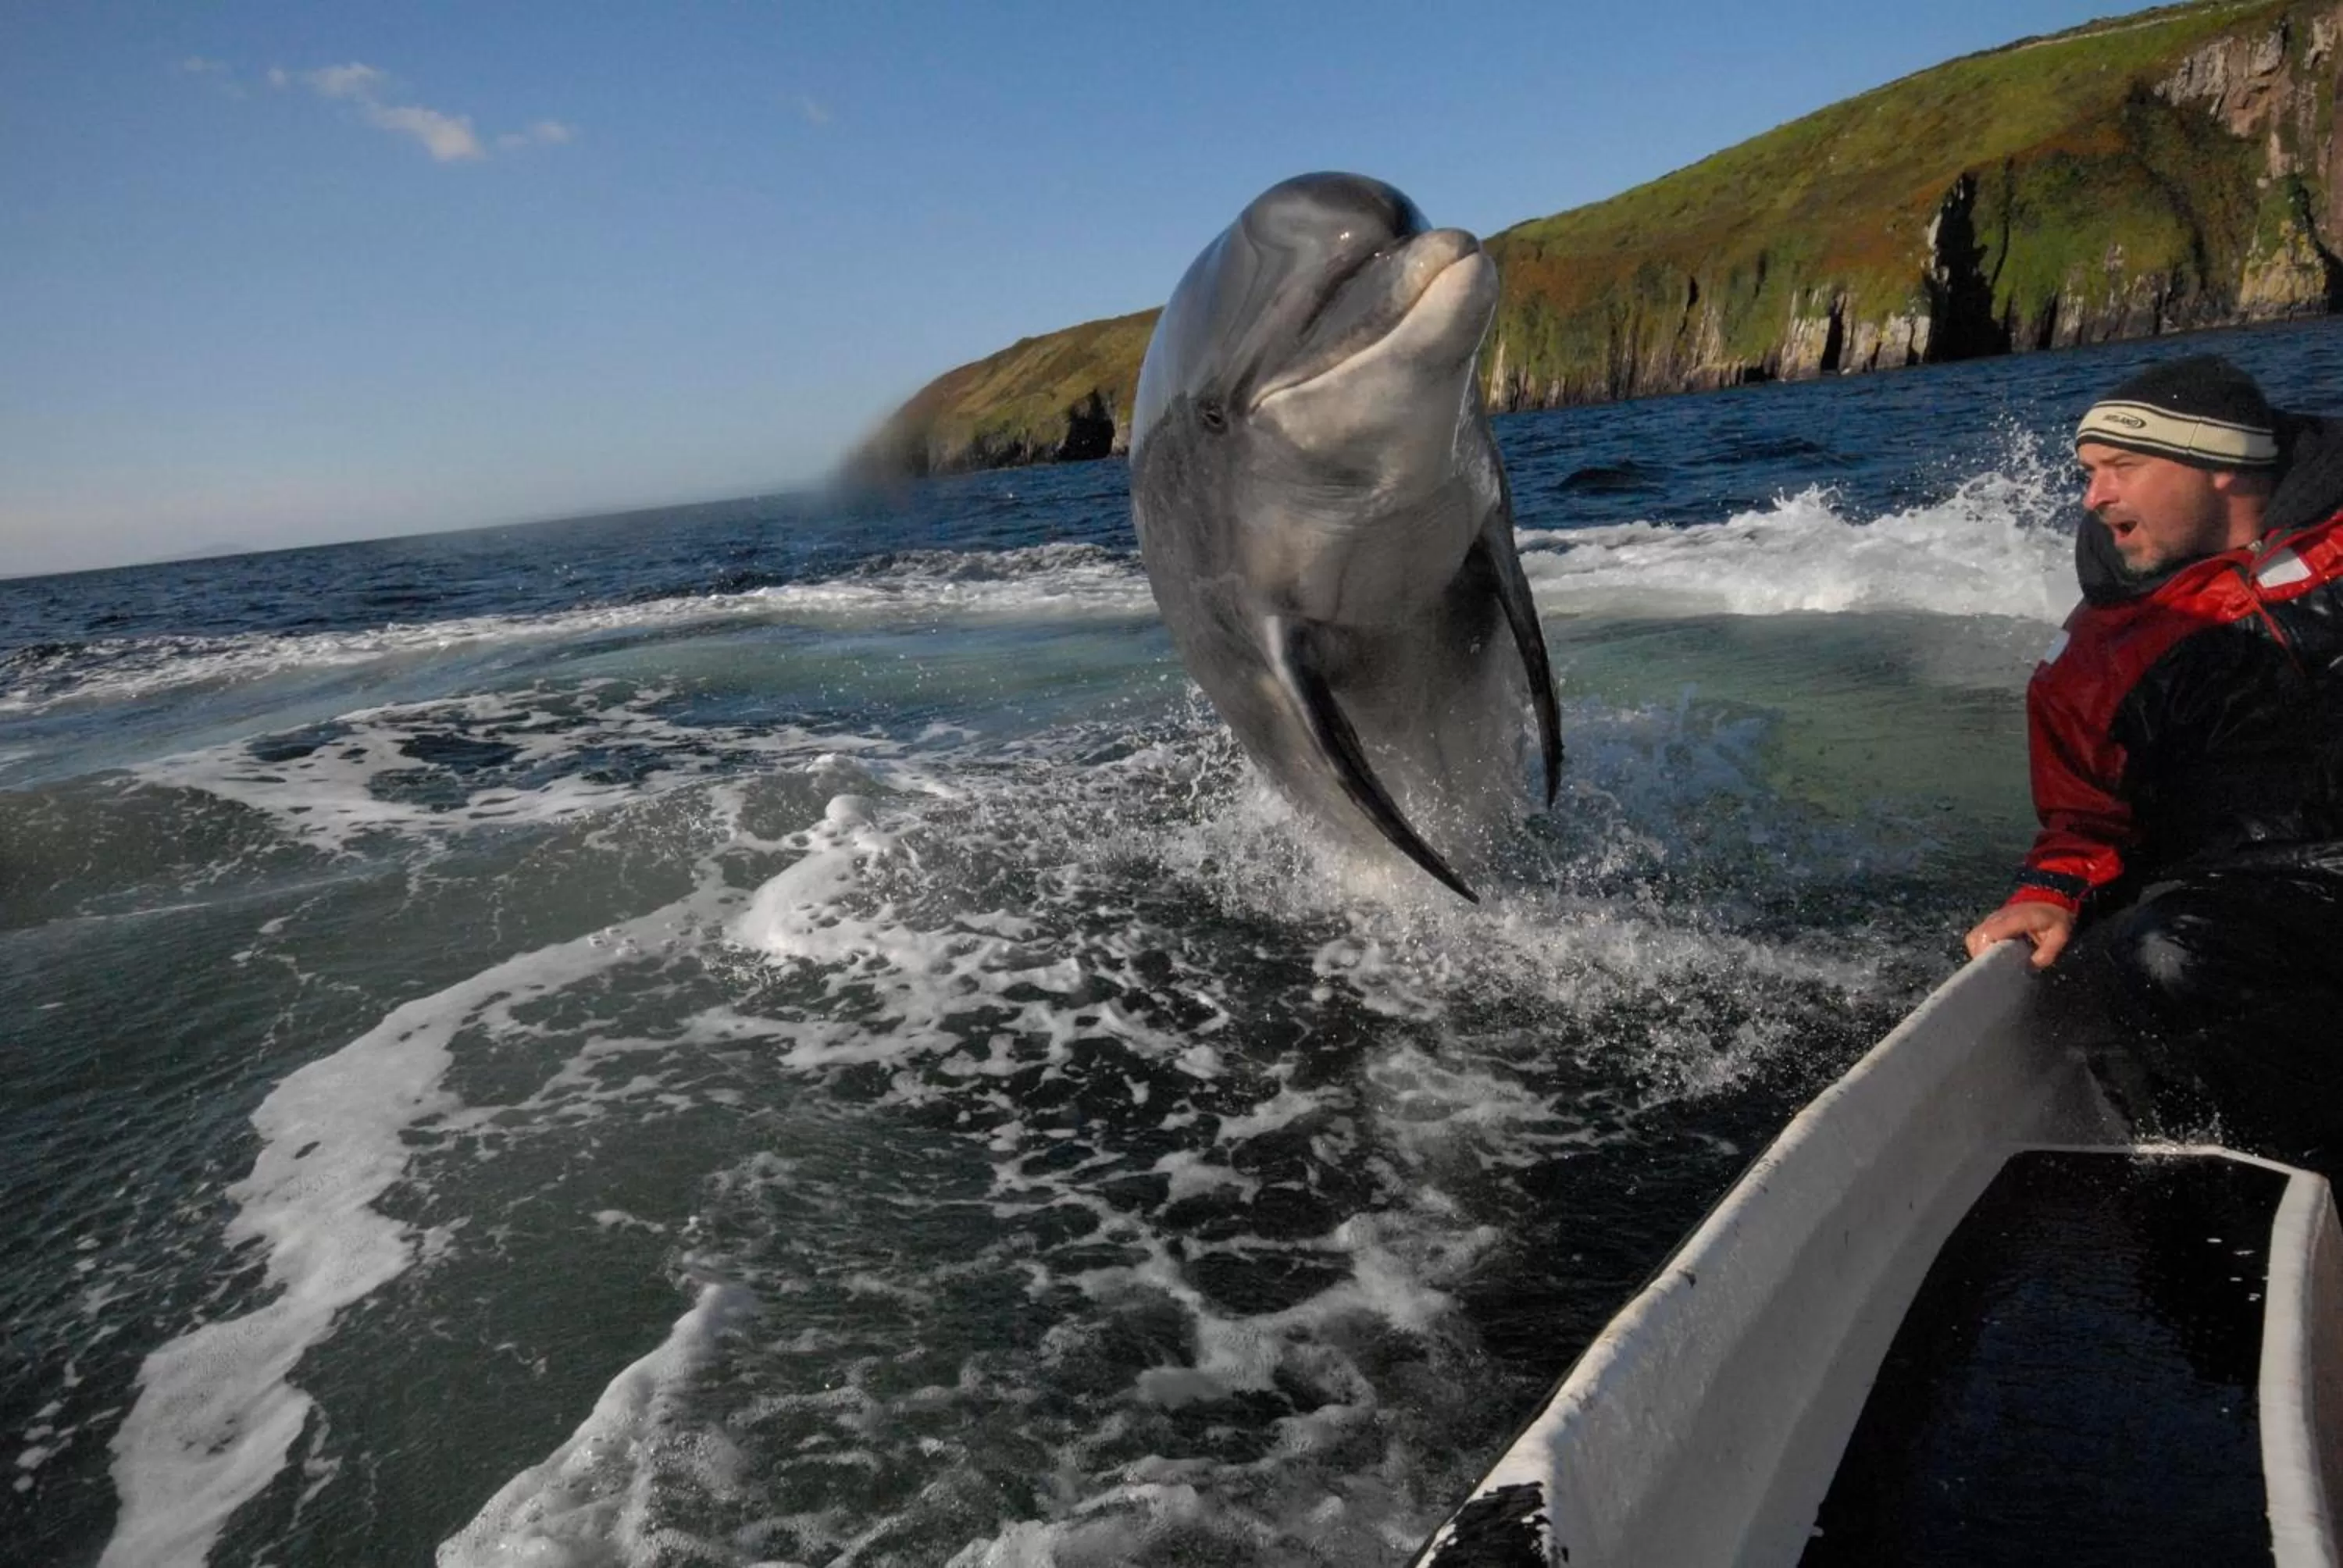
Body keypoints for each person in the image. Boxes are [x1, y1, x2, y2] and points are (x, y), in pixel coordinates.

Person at [1963, 353, 2343, 1169]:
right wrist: (2051, 891)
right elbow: (2084, 820)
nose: (2094, 497)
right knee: (2157, 957)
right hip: (2270, 895)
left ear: (2218, 468)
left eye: (2121, 469)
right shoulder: (2095, 658)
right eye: (2090, 473)